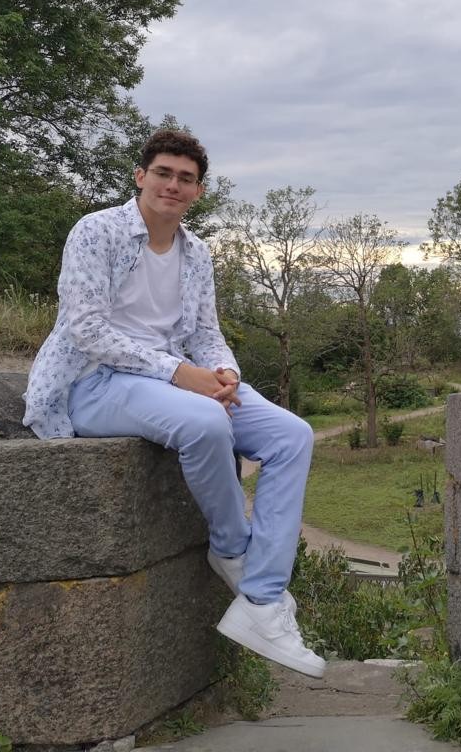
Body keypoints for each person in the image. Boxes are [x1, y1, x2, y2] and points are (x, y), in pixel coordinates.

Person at [23, 128, 325, 678]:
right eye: (163, 173)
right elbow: (87, 329)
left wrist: (225, 372)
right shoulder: (97, 231)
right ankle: (232, 551)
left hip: (172, 379)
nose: (173, 185)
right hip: (95, 382)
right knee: (207, 421)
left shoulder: (197, 253)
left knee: (292, 435)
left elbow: (205, 334)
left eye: (186, 178)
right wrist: (179, 373)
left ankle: (261, 600)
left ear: (198, 191)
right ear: (140, 177)